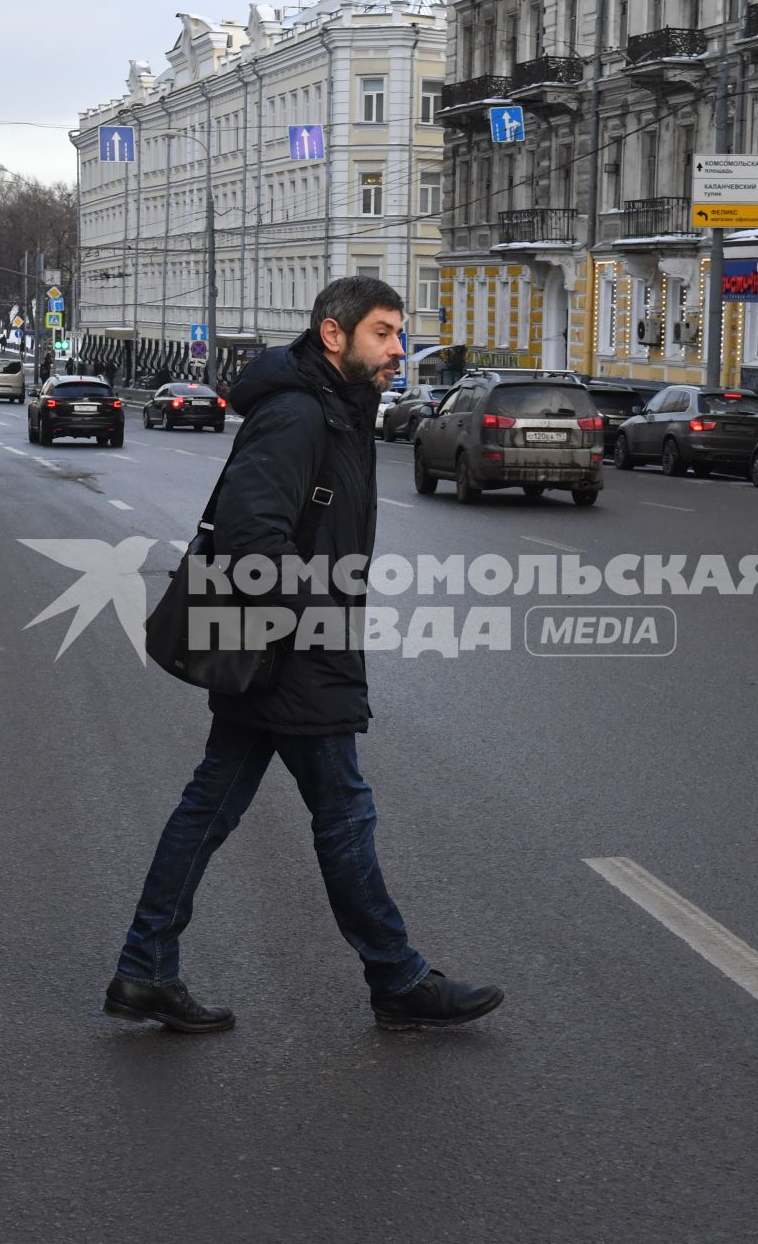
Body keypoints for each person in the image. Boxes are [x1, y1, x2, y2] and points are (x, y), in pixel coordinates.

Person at [104, 276, 503, 1035]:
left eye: (398, 334)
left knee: (211, 807)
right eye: (384, 333)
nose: (398, 350)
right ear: (334, 335)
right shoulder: (297, 416)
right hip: (292, 652)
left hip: (277, 650)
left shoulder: (333, 410)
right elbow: (256, 534)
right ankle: (397, 977)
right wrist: (313, 621)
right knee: (344, 813)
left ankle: (145, 968)